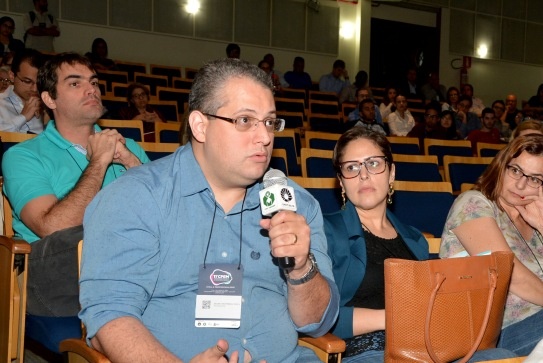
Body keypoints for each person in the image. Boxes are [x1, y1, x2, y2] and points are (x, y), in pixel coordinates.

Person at [79, 58, 339, 362]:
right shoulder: (136, 197)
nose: (265, 137)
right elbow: (109, 316)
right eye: (245, 120)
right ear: (200, 126)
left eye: (269, 122)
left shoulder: (296, 205)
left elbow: (318, 322)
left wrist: (301, 269)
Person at [2, 52, 149, 352]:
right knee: (91, 233)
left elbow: (167, 215)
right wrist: (99, 162)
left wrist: (131, 162)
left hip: (131, 270)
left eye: (93, 82)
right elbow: (53, 227)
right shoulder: (22, 156)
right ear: (50, 99)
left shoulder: (129, 148)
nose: (91, 89)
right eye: (75, 83)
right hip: (58, 277)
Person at [326, 128, 514, 363]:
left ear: (391, 173)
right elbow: (323, 318)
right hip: (368, 352)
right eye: (352, 167)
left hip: (426, 347)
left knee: (501, 356)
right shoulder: (327, 231)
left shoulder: (414, 239)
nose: (364, 174)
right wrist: (396, 318)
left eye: (373, 163)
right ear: (341, 181)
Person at [439, 134, 543, 357]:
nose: (521, 184)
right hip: (494, 334)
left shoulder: (536, 223)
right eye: (516, 170)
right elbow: (510, 274)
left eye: (535, 179)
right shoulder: (474, 203)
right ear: (502, 167)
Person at [0, 48, 45, 133]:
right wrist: (23, 117)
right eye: (27, 81)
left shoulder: (48, 105)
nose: (35, 89)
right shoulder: (1, 103)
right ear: (12, 76)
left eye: (39, 83)